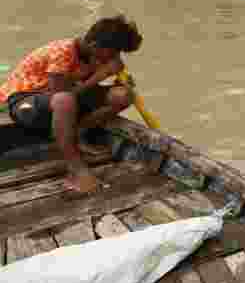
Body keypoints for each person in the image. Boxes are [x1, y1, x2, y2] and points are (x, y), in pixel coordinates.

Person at [1, 15, 142, 193]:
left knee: (123, 95)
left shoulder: (95, 56)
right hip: (25, 102)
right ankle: (76, 170)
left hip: (64, 100)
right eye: (114, 52)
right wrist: (100, 76)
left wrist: (119, 84)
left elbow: (81, 90)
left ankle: (78, 133)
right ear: (95, 46)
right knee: (64, 100)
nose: (116, 57)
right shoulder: (62, 52)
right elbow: (61, 95)